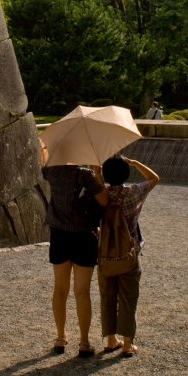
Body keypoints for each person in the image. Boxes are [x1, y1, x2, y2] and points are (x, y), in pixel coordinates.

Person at [41, 142, 107, 358]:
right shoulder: (86, 175)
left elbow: (45, 161)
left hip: (59, 235)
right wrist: (99, 174)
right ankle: (84, 342)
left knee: (60, 289)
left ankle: (60, 338)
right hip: (83, 237)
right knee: (82, 291)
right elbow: (104, 201)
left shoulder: (52, 172)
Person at [98, 154, 159, 357]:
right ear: (125, 174)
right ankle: (127, 343)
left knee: (108, 296)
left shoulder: (103, 195)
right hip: (129, 254)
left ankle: (110, 340)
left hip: (105, 254)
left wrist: (97, 172)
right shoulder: (133, 193)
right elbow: (154, 178)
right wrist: (135, 162)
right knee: (128, 297)